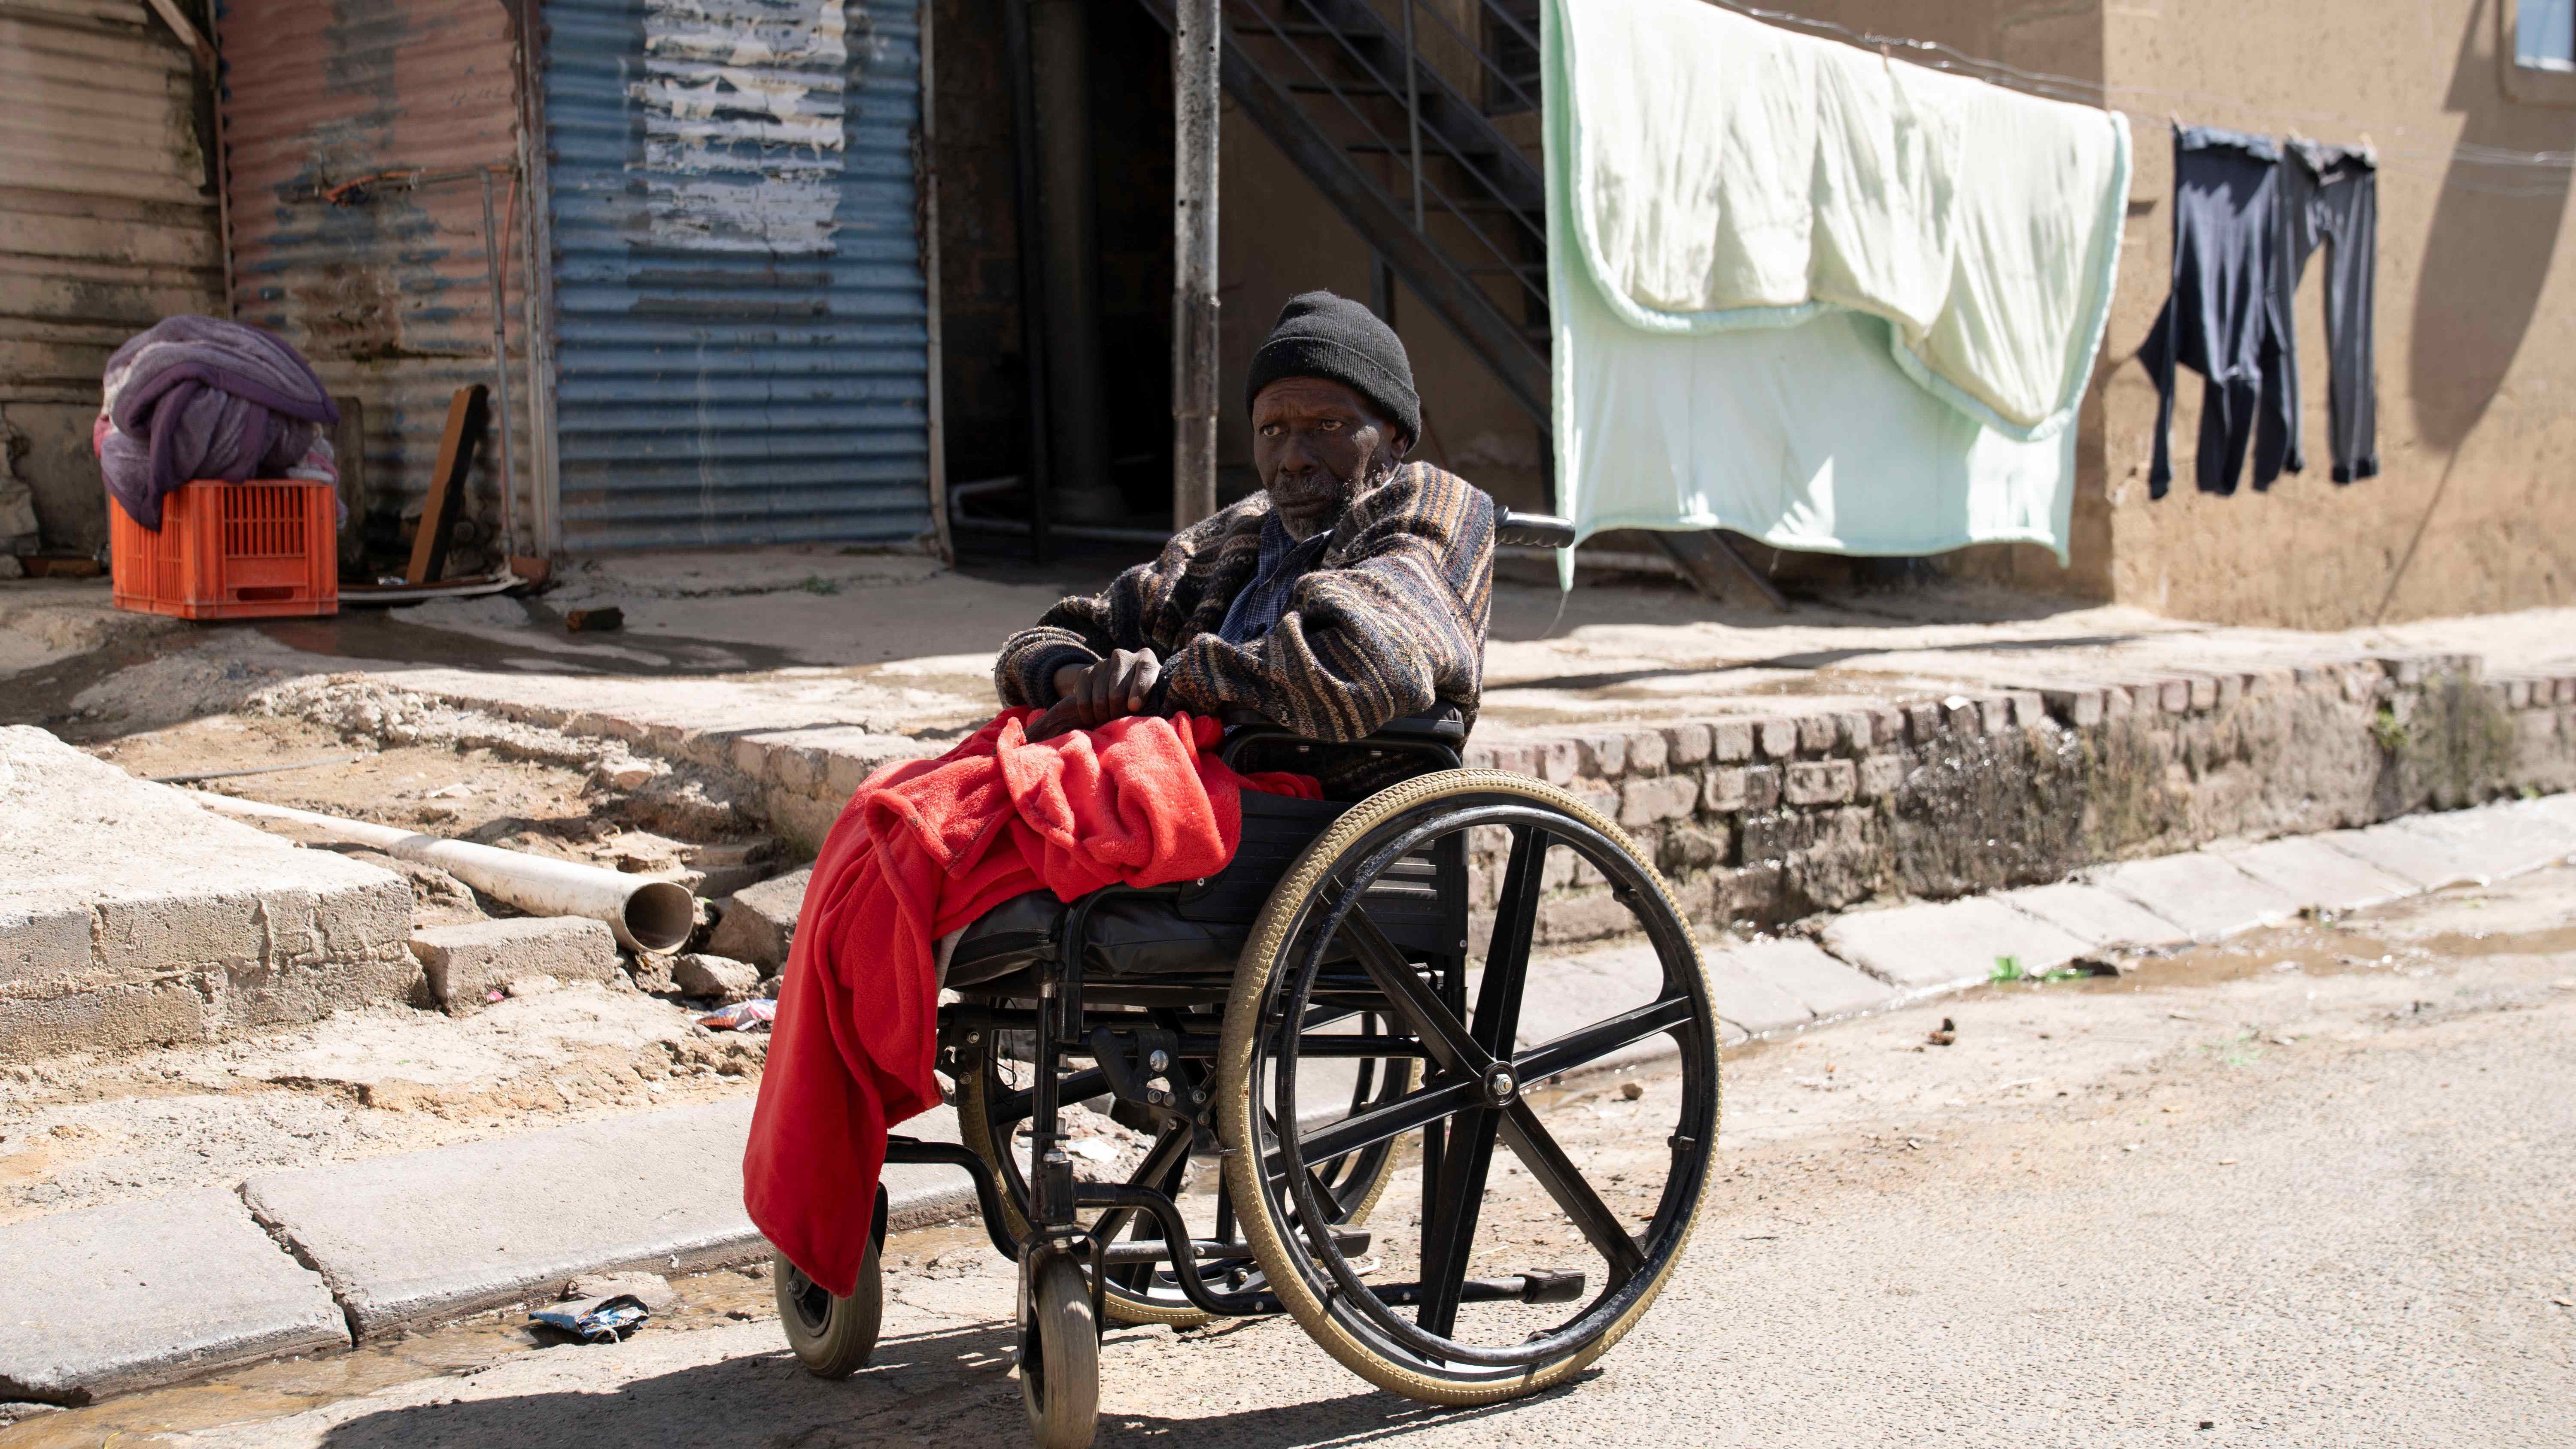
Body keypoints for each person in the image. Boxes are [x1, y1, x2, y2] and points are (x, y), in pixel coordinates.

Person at [995, 291, 1495, 765]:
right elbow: (1045, 639)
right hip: (1196, 789)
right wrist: (1084, 679)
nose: (1294, 458)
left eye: (1328, 426)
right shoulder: (1243, 530)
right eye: (1272, 431)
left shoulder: (1432, 505)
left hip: (1319, 809)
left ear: (1397, 437)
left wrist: (1159, 688)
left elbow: (1366, 660)